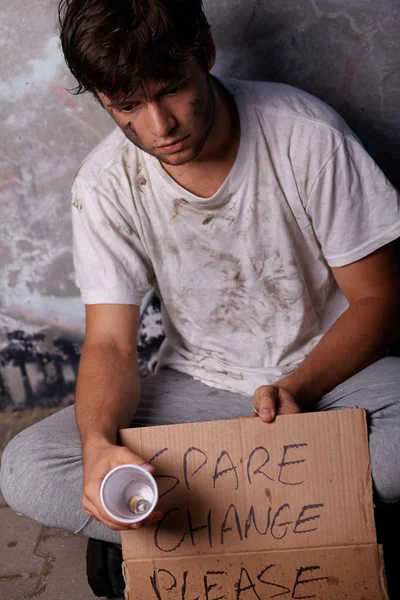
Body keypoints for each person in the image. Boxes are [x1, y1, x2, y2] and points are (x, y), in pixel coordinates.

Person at [1, 0, 400, 547]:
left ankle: (173, 535)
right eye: (127, 105)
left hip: (331, 379)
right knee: (28, 466)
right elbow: (113, 346)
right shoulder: (104, 185)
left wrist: (296, 388)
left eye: (170, 88)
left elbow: (379, 299)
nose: (158, 125)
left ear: (205, 54)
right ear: (102, 99)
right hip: (203, 385)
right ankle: (317, 514)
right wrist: (96, 448)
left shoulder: (307, 137)